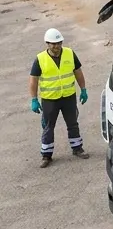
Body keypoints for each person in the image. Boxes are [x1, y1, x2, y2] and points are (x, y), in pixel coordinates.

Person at [29, 28, 89, 167]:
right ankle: (46, 156)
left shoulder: (69, 53)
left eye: (58, 43)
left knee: (73, 123)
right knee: (48, 126)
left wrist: (83, 89)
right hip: (50, 99)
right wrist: (34, 99)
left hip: (68, 96)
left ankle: (77, 149)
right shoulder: (40, 59)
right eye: (53, 43)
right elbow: (33, 80)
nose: (56, 46)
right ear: (47, 44)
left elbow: (78, 72)